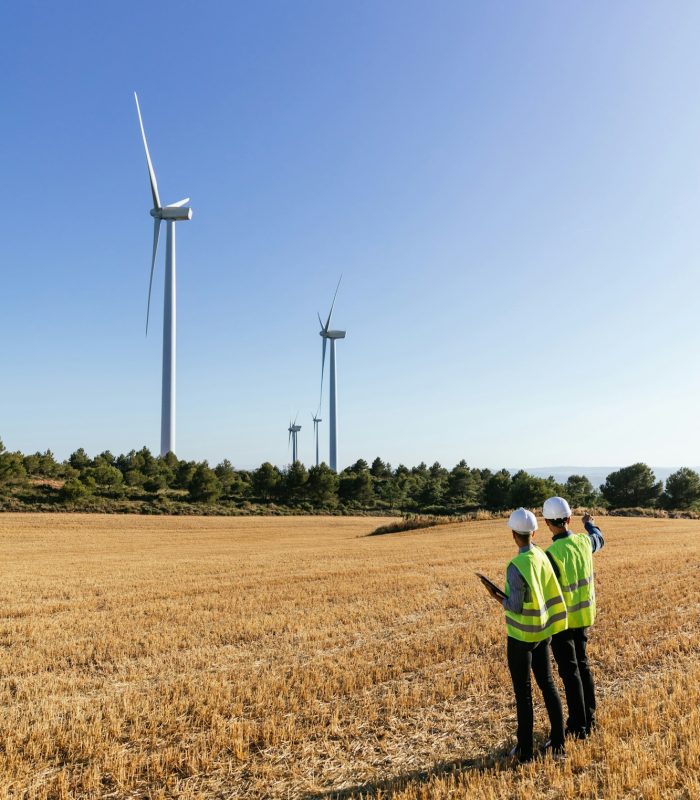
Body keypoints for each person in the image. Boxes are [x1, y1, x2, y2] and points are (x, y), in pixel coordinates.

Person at [483, 507, 568, 763]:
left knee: (524, 694)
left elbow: (515, 605)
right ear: (533, 532)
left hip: (521, 638)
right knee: (549, 686)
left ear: (513, 534)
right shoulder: (541, 555)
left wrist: (496, 596)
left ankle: (526, 751)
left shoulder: (516, 566)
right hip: (543, 632)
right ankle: (559, 742)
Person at [542, 496, 605, 738]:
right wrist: (589, 524)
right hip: (584, 615)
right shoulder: (584, 542)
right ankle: (590, 718)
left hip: (563, 621)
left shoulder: (551, 555)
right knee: (583, 666)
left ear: (547, 522)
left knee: (570, 673)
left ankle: (578, 726)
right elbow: (600, 539)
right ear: (569, 519)